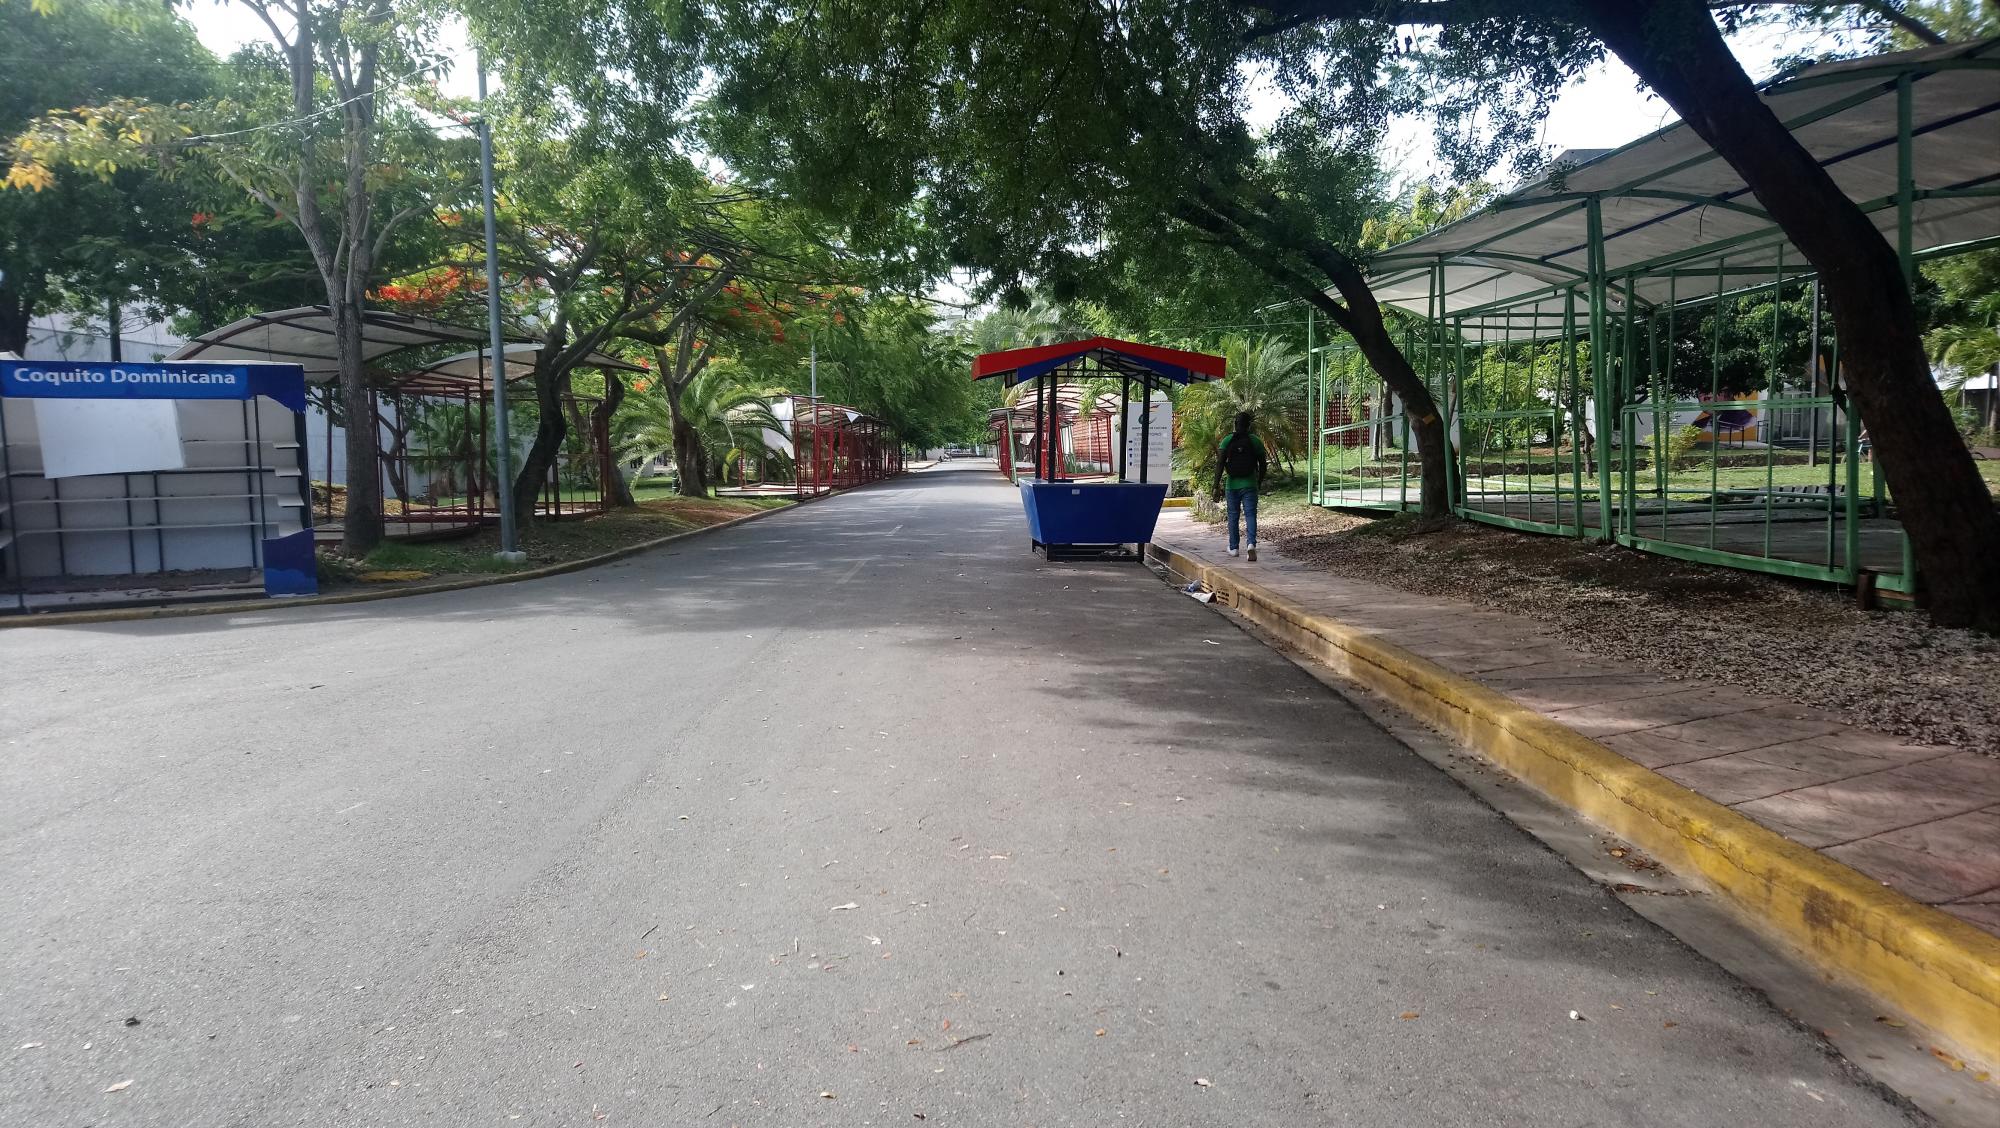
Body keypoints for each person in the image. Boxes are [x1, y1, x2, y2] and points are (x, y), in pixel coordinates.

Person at [1214, 411, 1267, 561]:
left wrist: (1215, 485)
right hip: (1250, 483)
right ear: (1249, 425)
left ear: (1235, 424)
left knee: (1233, 516)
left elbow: (1219, 464)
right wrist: (1259, 481)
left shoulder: (1227, 441)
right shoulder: (1255, 441)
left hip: (1232, 484)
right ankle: (1251, 544)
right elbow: (1263, 465)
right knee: (1250, 514)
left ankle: (1234, 548)